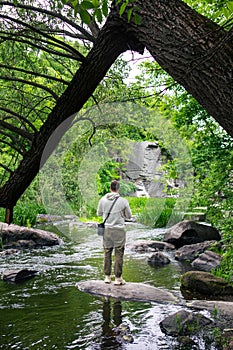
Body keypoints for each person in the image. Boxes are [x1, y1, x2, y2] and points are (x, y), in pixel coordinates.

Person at [97, 180, 132, 285]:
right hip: (119, 230)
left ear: (110, 188)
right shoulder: (123, 201)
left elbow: (99, 214)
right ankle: (118, 278)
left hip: (107, 230)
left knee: (107, 253)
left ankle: (107, 277)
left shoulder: (102, 200)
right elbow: (129, 216)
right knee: (119, 254)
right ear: (118, 189)